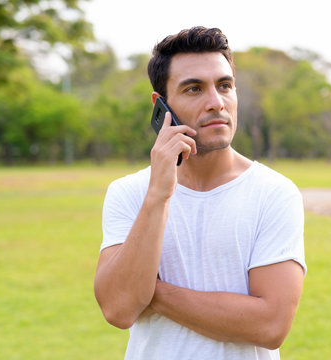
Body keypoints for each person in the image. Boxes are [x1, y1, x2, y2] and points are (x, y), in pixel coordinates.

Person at [94, 26, 306, 360]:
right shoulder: (129, 193)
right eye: (194, 89)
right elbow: (119, 309)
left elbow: (270, 326)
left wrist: (150, 292)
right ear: (161, 105)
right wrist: (158, 196)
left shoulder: (274, 194)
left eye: (225, 85)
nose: (216, 103)